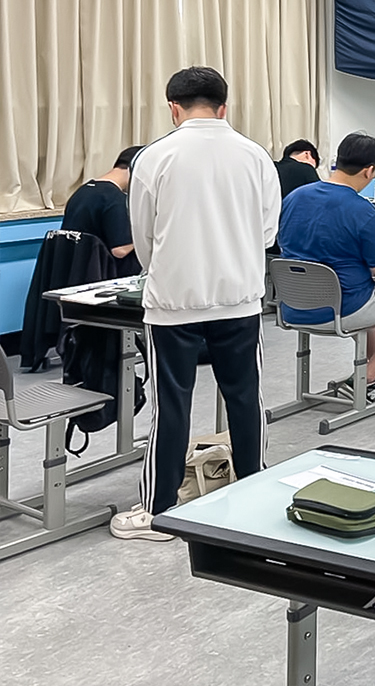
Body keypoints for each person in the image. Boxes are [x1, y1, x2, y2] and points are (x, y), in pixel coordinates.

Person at [114, 66, 280, 541]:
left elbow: (143, 238)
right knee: (246, 399)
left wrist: (169, 268)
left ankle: (159, 511)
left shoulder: (154, 157)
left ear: (173, 107)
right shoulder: (255, 156)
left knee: (171, 405)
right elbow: (267, 233)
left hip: (173, 304)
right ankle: (253, 490)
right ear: (224, 106)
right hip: (239, 300)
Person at [277, 132, 375, 391]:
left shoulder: (295, 198)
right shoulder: (362, 210)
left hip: (293, 304)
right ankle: (368, 375)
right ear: (368, 171)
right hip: (343, 306)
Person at [60, 145, 143, 276]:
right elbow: (120, 250)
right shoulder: (115, 199)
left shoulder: (82, 191)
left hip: (76, 273)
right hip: (104, 275)